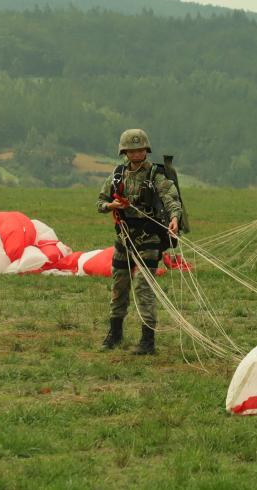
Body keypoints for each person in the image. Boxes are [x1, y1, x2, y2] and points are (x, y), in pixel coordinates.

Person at [97, 129, 182, 354]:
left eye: (140, 150)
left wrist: (174, 218)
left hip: (149, 237)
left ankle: (147, 340)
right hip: (124, 237)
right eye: (132, 151)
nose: (136, 154)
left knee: (144, 287)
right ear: (124, 152)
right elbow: (100, 203)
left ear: (146, 150)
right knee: (119, 284)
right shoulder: (117, 175)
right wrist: (111, 206)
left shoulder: (156, 174)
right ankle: (115, 334)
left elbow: (171, 198)